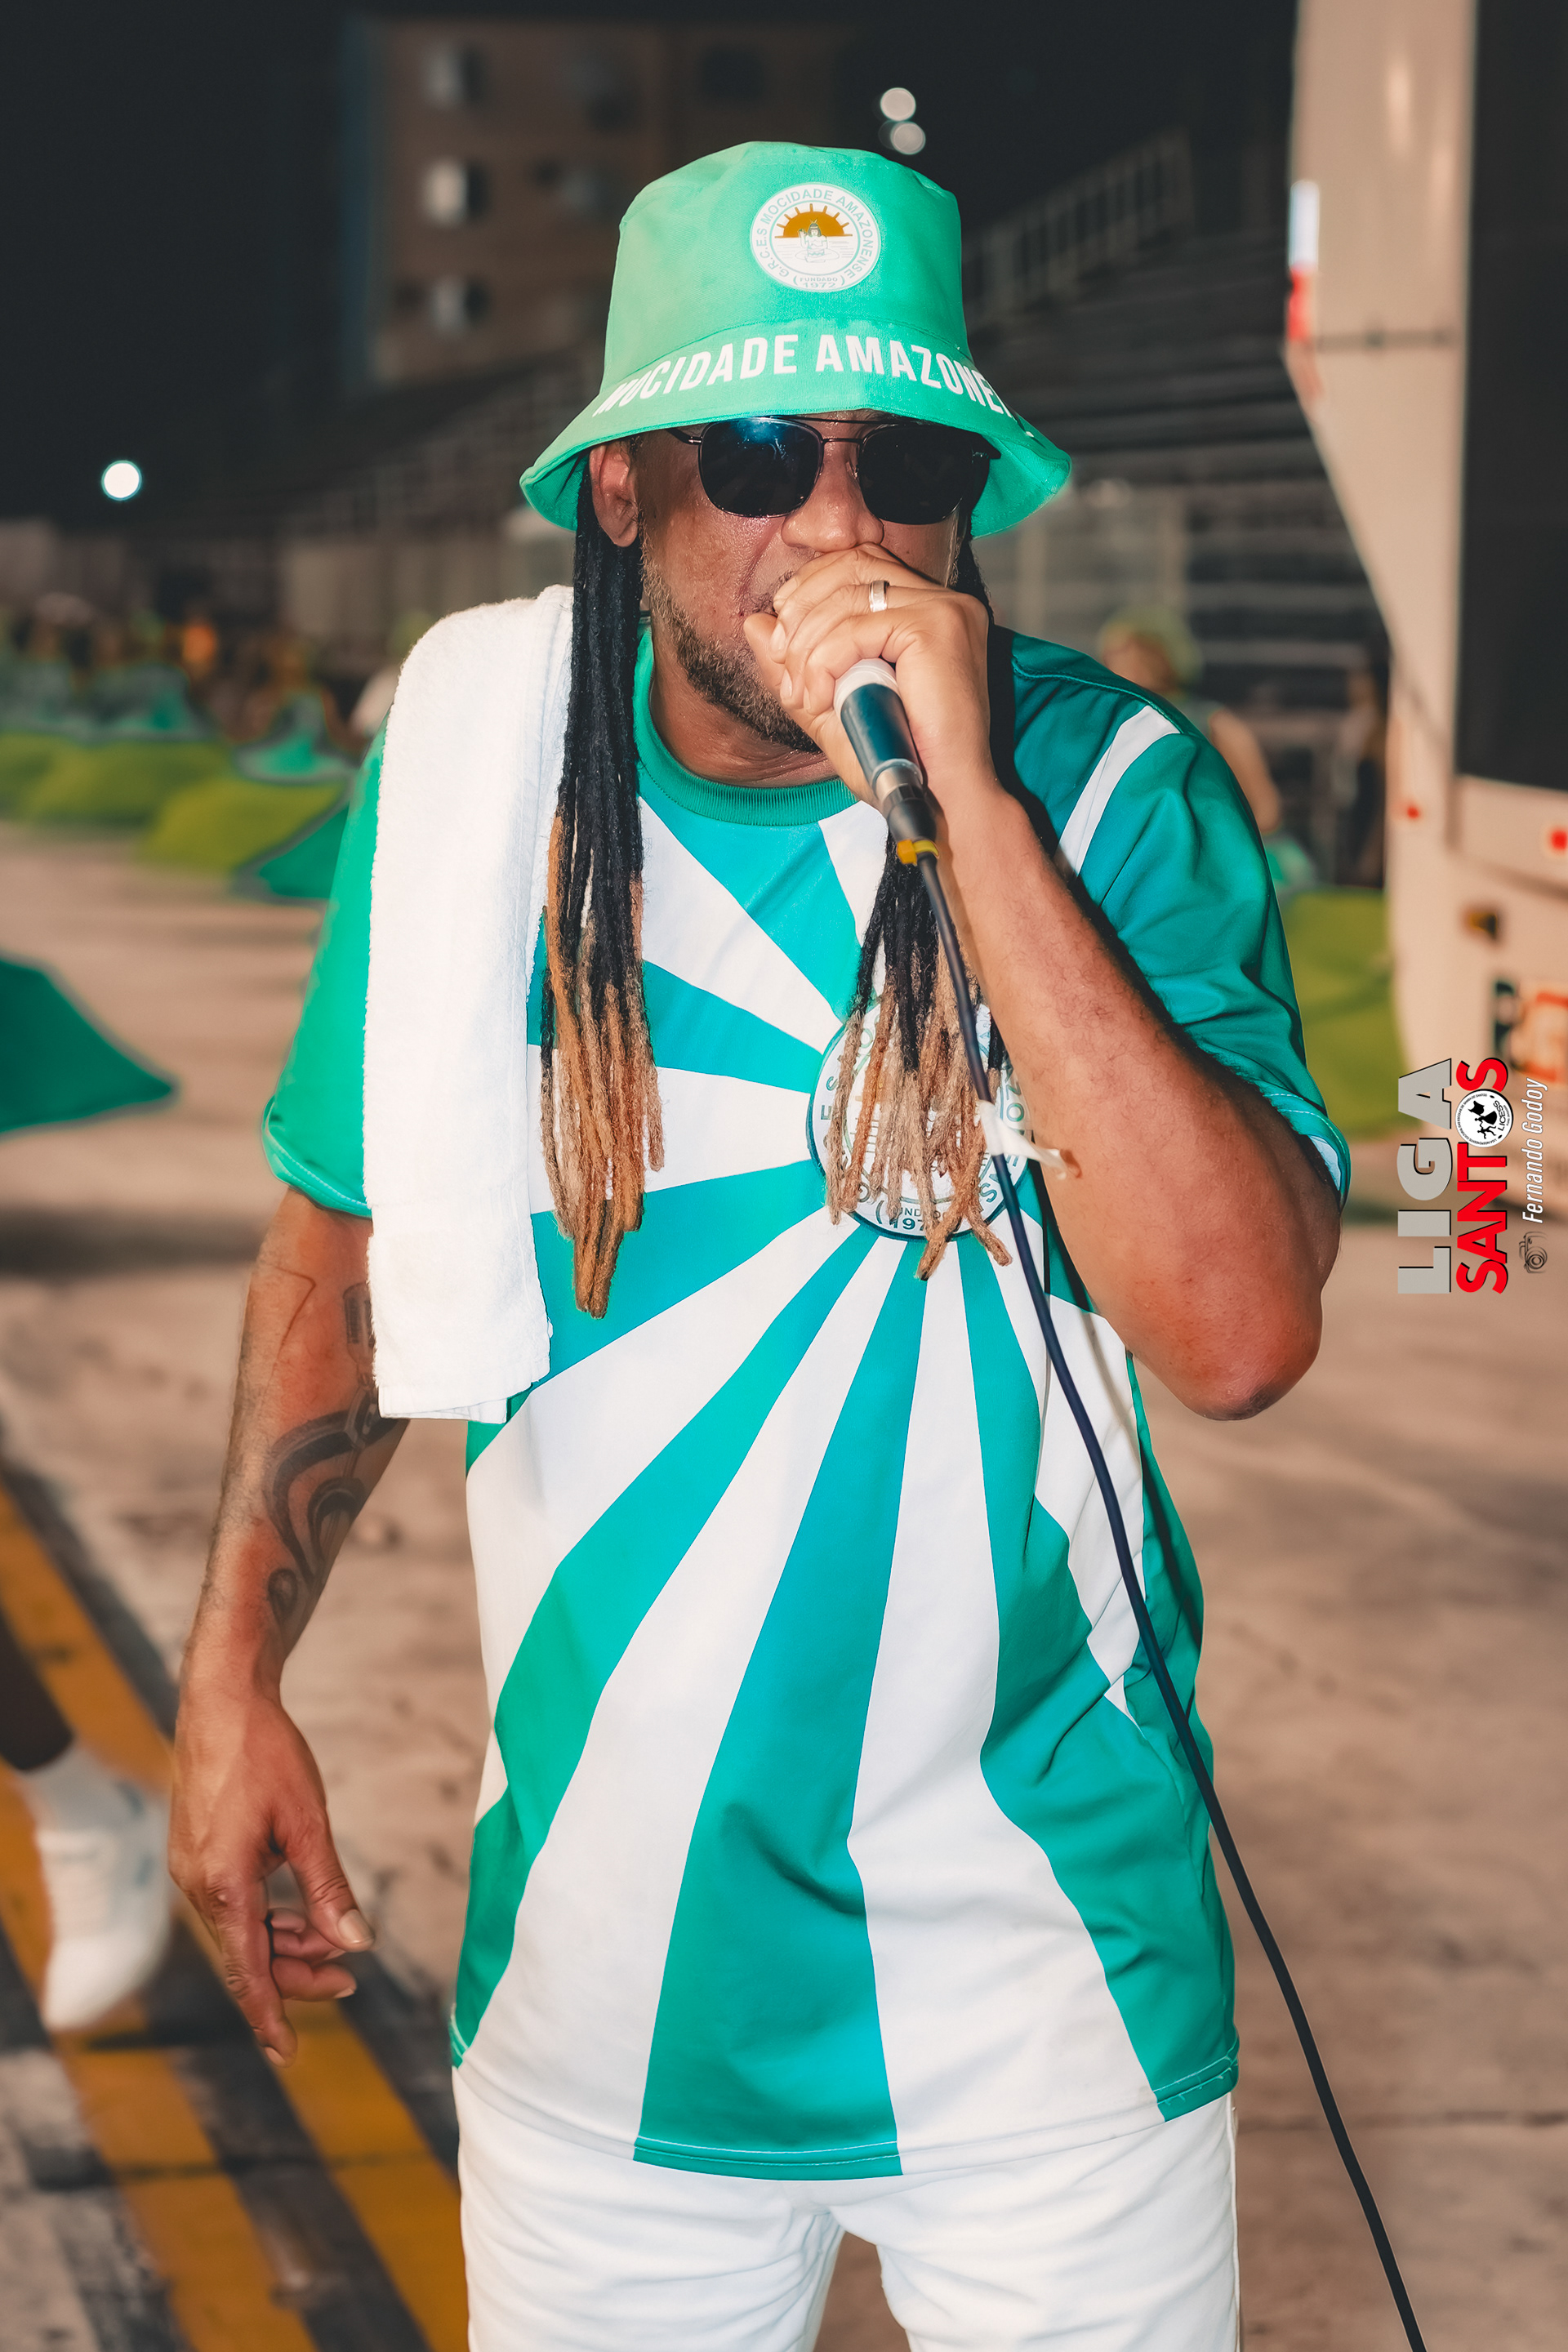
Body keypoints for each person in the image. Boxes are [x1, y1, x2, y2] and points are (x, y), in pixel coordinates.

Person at [172, 144, 1345, 2351]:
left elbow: (1240, 1331)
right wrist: (232, 1681)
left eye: (903, 461)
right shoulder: (477, 791)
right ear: (621, 490)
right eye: (753, 457)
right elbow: (340, 1249)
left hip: (1055, 2012)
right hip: (607, 2014)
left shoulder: (1111, 794)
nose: (837, 524)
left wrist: (966, 804)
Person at [1098, 606, 1316, 899]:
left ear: (1164, 655)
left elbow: (1266, 810)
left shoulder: (1213, 723)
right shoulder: (1114, 728)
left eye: (1135, 654)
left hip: (1217, 869)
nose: (1123, 666)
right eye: (1114, 656)